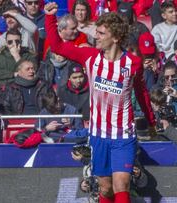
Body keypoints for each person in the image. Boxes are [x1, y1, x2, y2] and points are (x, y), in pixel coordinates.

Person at [44, 3, 156, 203]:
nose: (96, 36)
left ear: (115, 38)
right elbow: (58, 46)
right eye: (97, 31)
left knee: (121, 184)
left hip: (123, 135)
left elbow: (141, 92)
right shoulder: (89, 56)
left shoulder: (133, 63)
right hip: (98, 135)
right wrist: (50, 18)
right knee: (105, 188)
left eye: (101, 33)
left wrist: (151, 121)